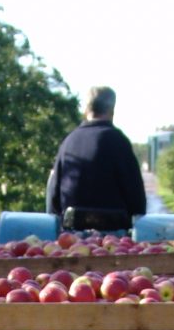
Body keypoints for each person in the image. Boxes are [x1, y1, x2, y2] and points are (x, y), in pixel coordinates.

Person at [46, 86, 146, 229]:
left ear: (86, 110)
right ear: (112, 110)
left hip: (72, 238)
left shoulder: (69, 142)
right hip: (115, 239)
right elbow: (137, 201)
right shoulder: (120, 142)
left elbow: (53, 200)